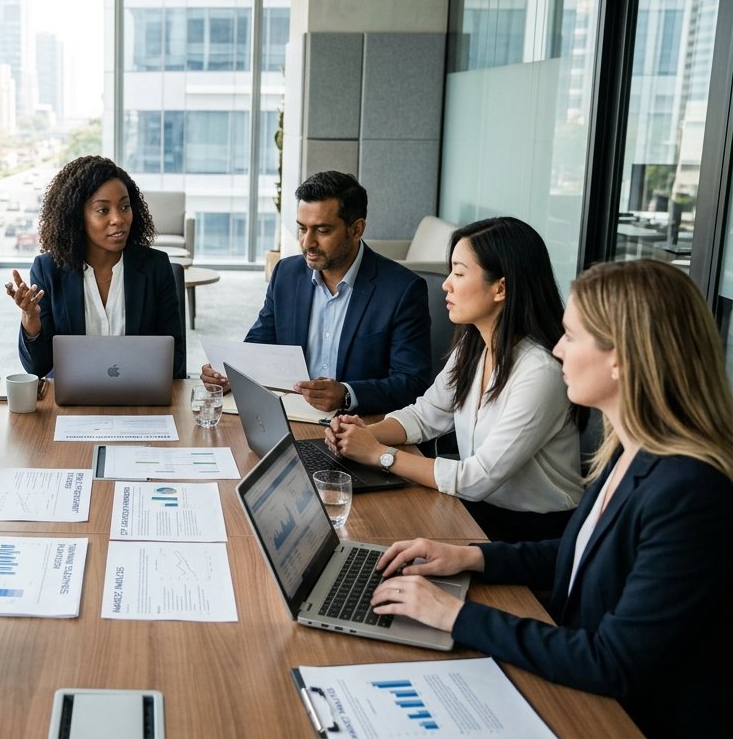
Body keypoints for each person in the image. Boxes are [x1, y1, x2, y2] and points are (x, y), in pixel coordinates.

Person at [367, 260, 733, 737]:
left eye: (572, 337)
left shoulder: (690, 490)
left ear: (621, 357)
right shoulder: (630, 447)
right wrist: (468, 556)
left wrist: (452, 615)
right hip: (581, 683)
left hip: (624, 718)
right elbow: (578, 553)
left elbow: (610, 662)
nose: (557, 350)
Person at [325, 217, 583, 542]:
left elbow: (477, 478)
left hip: (532, 532)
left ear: (500, 288)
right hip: (479, 509)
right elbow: (425, 415)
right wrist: (359, 436)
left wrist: (378, 454)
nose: (446, 284)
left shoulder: (539, 372)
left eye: (459, 273)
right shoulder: (474, 344)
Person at [201, 170, 431, 415]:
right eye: (302, 228)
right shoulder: (286, 274)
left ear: (357, 229)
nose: (307, 242)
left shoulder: (402, 289)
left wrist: (346, 394)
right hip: (289, 417)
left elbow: (412, 383)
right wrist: (228, 374)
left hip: (361, 426)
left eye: (322, 231)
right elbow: (260, 345)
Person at [6, 155, 186, 378]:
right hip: (73, 401)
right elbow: (38, 367)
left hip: (140, 395)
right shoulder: (48, 269)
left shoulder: (155, 267)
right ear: (77, 216)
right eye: (103, 210)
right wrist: (31, 321)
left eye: (125, 206)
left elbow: (175, 361)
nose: (118, 219)